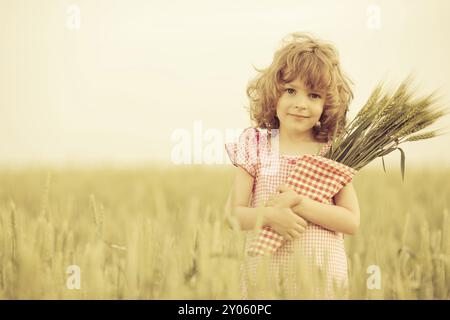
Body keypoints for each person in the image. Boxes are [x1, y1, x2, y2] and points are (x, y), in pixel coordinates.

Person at [224, 32, 361, 299]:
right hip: (266, 280)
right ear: (273, 95)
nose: (300, 104)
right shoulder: (257, 145)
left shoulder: (331, 152)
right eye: (290, 91)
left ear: (327, 104)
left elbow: (351, 221)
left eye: (313, 95)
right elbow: (233, 214)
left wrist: (301, 204)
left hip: (321, 283)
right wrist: (270, 216)